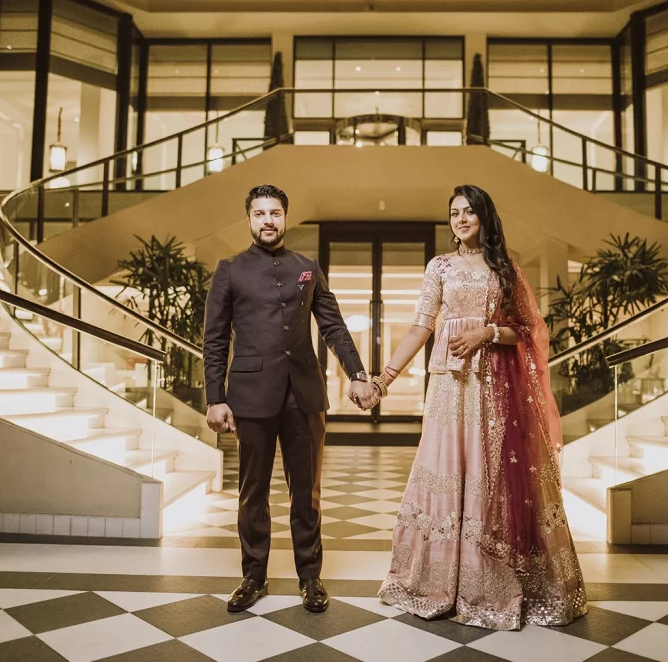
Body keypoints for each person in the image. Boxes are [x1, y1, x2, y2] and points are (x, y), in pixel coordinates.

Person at [374, 184, 587, 629]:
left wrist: (487, 333)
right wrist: (385, 378)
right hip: (451, 386)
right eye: (454, 213)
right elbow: (420, 327)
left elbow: (527, 332)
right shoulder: (440, 267)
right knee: (449, 470)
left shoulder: (505, 267)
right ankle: (437, 581)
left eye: (469, 211)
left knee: (490, 474)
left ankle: (489, 584)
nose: (461, 219)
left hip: (494, 387)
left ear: (484, 217)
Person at [202, 184, 379, 614]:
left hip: (304, 394)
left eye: (275, 213)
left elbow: (333, 327)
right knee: (253, 491)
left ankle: (310, 577)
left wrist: (357, 374)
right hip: (250, 396)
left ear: (285, 218)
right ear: (249, 219)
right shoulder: (230, 269)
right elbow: (215, 339)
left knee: (307, 491)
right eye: (260, 213)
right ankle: (253, 575)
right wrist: (215, 398)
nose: (268, 220)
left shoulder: (307, 267)